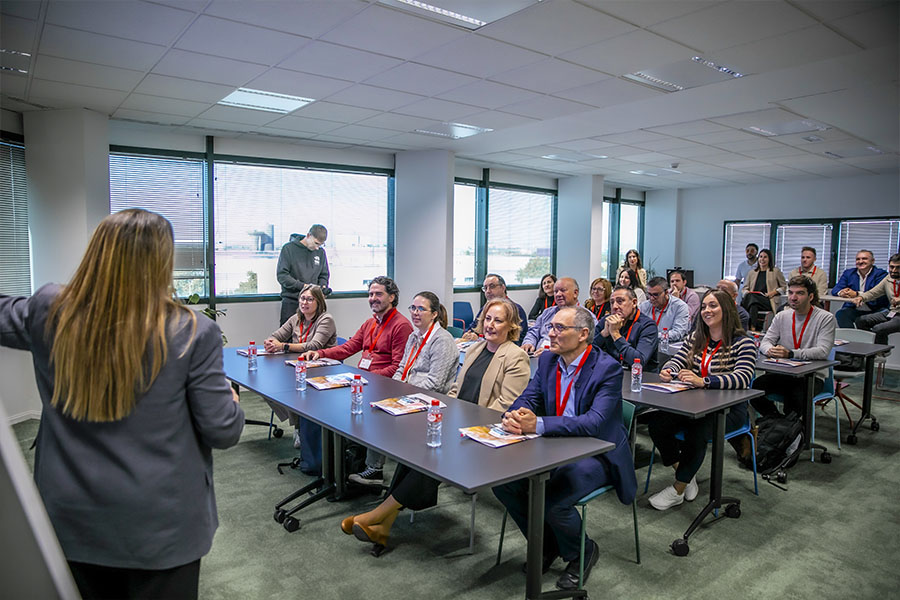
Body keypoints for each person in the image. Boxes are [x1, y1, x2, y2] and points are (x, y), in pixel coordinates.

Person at [0, 209, 244, 599]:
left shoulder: (49, 309)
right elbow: (222, 429)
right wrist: (231, 400)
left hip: (70, 518)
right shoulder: (192, 331)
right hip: (161, 528)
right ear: (162, 263)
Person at [341, 298, 529, 552]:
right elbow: (455, 390)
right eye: (487, 319)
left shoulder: (516, 357)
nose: (490, 325)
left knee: (433, 458)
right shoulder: (475, 349)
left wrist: (463, 427)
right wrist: (447, 415)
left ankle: (377, 516)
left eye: (498, 320)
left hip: (485, 434)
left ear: (511, 326)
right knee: (417, 450)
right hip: (458, 424)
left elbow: (504, 406)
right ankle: (383, 525)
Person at [492, 306, 637, 591]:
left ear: (584, 335)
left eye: (560, 328)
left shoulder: (606, 368)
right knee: (504, 484)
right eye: (551, 327)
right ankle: (546, 543)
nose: (551, 333)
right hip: (553, 445)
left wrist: (539, 424)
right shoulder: (548, 360)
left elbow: (595, 423)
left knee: (552, 498)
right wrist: (514, 415)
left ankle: (581, 552)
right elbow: (528, 398)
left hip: (596, 452)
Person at [646, 290, 757, 510]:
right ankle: (686, 472)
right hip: (695, 405)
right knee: (656, 423)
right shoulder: (697, 338)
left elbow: (743, 377)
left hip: (729, 410)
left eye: (713, 306)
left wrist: (704, 381)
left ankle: (678, 488)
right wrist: (669, 370)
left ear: (727, 310)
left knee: (698, 431)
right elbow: (677, 360)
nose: (707, 311)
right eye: (704, 306)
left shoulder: (743, 342)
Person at [301, 276, 413, 486]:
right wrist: (320, 353)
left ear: (392, 297)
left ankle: (371, 468)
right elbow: (348, 347)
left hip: (383, 387)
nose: (373, 298)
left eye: (378, 294)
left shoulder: (401, 326)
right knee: (319, 400)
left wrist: (367, 378)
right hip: (363, 382)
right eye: (370, 294)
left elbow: (399, 367)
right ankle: (332, 463)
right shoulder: (370, 323)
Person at [263, 283, 337, 469]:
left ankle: (300, 427)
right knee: (269, 389)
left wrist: (284, 346)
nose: (304, 302)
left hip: (319, 368)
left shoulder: (325, 319)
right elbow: (276, 335)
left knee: (293, 391)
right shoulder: (296, 318)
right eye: (302, 298)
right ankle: (297, 425)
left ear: (318, 302)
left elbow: (313, 346)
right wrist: (271, 342)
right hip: (295, 366)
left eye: (309, 299)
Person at [752, 276, 837, 419]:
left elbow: (823, 351)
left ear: (810, 296)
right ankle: (777, 422)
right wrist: (769, 350)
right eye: (790, 293)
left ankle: (791, 431)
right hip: (784, 372)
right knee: (753, 389)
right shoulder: (782, 316)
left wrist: (791, 354)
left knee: (794, 400)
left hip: (811, 377)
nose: (793, 297)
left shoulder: (826, 318)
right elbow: (766, 341)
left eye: (799, 293)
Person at [522, 277, 596, 355]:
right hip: (536, 356)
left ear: (575, 293)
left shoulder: (587, 317)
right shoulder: (547, 312)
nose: (558, 294)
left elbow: (588, 347)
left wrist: (550, 353)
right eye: (556, 291)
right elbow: (534, 331)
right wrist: (528, 343)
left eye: (563, 290)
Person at [594, 286, 659, 371]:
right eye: (612, 302)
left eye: (620, 301)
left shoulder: (648, 326)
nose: (614, 306)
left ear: (634, 303)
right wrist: (603, 334)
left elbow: (639, 362)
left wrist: (615, 334)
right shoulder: (606, 321)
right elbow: (587, 352)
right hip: (611, 373)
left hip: (640, 377)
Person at [277, 224, 330, 326]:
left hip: (313, 303)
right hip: (292, 302)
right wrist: (304, 287)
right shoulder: (289, 249)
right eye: (316, 243)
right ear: (308, 235)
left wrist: (322, 288)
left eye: (320, 245)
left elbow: (324, 275)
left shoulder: (320, 253)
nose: (317, 247)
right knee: (288, 336)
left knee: (312, 337)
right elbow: (282, 276)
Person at [461, 273, 528, 345]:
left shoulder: (516, 309)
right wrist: (471, 334)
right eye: (485, 288)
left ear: (503, 287)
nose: (488, 291)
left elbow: (518, 339)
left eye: (492, 286)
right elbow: (473, 327)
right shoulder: (486, 308)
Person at [832, 249, 889, 328]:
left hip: (876, 309)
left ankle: (869, 340)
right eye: (858, 259)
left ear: (872, 261)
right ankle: (850, 338)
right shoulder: (849, 273)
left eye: (864, 259)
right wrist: (841, 292)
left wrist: (857, 294)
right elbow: (835, 289)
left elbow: (879, 294)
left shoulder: (881, 274)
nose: (860, 261)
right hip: (854, 308)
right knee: (841, 314)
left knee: (862, 321)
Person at [854, 252, 900, 347]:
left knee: (879, 329)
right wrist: (861, 297)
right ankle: (867, 347)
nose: (894, 270)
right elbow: (874, 292)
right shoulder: (889, 278)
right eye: (891, 267)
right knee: (861, 321)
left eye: (898, 267)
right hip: (892, 312)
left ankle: (880, 352)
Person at [740, 249, 785, 330]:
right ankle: (753, 327)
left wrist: (773, 292)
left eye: (765, 257)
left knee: (751, 300)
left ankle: (744, 324)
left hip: (768, 299)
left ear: (769, 259)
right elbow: (744, 289)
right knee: (753, 304)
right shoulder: (752, 273)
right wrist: (747, 292)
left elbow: (784, 287)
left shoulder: (775, 271)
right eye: (760, 257)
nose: (762, 259)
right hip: (754, 300)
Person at [639, 276, 691, 343]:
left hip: (669, 347)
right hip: (646, 344)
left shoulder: (680, 307)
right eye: (649, 294)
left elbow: (678, 333)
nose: (651, 298)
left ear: (666, 292)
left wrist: (652, 335)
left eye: (655, 294)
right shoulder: (644, 306)